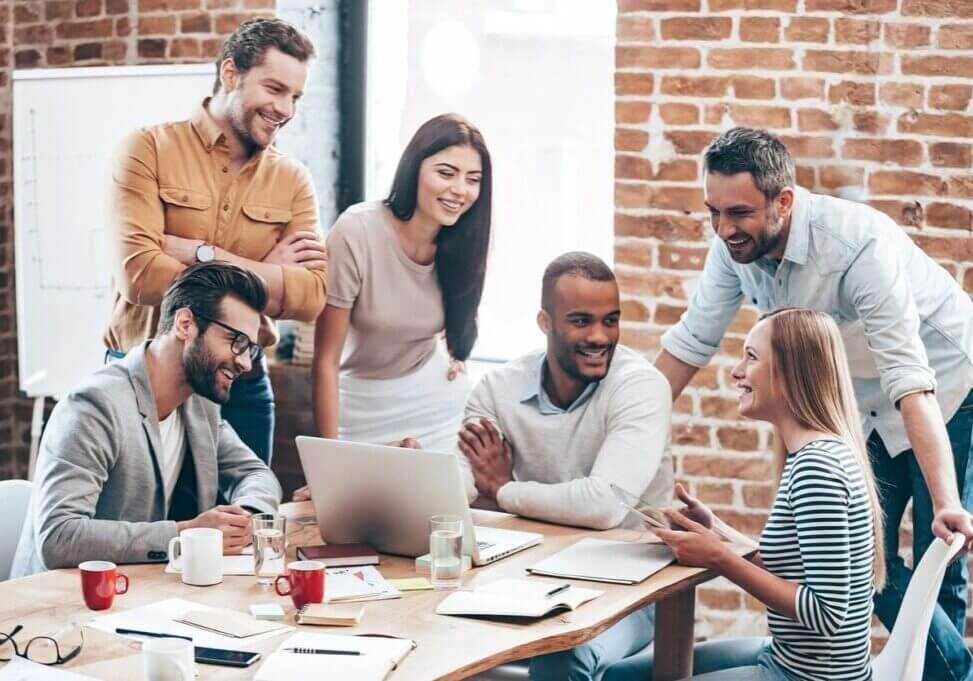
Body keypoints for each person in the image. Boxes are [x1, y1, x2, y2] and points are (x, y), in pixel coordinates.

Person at [654, 127, 973, 680]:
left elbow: (910, 379)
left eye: (739, 213)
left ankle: (951, 673)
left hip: (944, 389)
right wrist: (625, 436)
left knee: (935, 556)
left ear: (784, 200)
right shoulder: (734, 247)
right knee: (858, 555)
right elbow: (690, 343)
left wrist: (947, 500)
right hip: (865, 400)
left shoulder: (857, 245)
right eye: (714, 212)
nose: (725, 228)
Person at [607, 308, 885, 681]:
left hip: (809, 676)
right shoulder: (818, 453)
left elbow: (826, 615)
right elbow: (794, 569)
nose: (737, 371)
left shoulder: (818, 467)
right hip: (786, 658)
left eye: (751, 357)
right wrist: (717, 530)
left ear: (789, 373)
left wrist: (719, 557)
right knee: (621, 676)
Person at [105, 17, 328, 466]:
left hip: (240, 381)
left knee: (246, 519)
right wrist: (267, 271)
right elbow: (140, 275)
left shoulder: (293, 181)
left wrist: (204, 254)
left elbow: (310, 297)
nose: (286, 108)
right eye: (274, 89)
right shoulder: (147, 149)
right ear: (231, 73)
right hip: (144, 375)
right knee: (143, 524)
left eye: (296, 97)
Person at [457, 252, 673, 681]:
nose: (600, 336)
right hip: (523, 574)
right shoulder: (497, 388)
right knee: (441, 636)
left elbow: (604, 504)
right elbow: (458, 482)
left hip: (633, 585)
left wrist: (503, 492)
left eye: (610, 320)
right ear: (545, 322)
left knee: (566, 653)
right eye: (581, 321)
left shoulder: (641, 387)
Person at [11, 263, 282, 578]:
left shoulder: (199, 405)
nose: (246, 363)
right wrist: (185, 535)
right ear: (185, 324)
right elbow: (59, 537)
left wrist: (243, 519)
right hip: (55, 607)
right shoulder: (95, 406)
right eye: (236, 341)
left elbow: (255, 474)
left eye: (250, 348)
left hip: (137, 597)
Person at [293, 113, 491, 501]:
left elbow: (455, 322)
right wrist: (326, 467)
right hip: (362, 404)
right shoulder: (358, 231)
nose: (460, 190)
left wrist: (454, 357)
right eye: (446, 173)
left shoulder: (463, 241)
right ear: (414, 168)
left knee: (444, 504)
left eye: (473, 179)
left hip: (432, 403)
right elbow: (325, 362)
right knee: (358, 507)